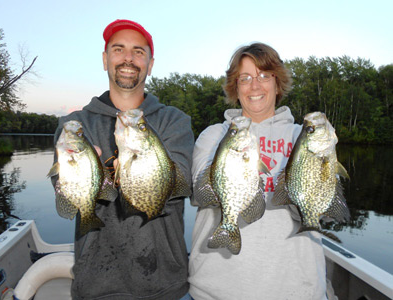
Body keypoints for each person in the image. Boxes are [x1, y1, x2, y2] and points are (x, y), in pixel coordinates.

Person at [52, 19, 194, 300]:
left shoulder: (174, 120)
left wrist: (142, 168)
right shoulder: (74, 126)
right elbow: (66, 196)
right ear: (105, 60)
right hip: (95, 285)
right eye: (119, 49)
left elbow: (180, 183)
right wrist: (89, 172)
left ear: (150, 64)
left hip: (165, 284)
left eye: (139, 51)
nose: (128, 58)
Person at [188, 43, 327, 299]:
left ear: (277, 83)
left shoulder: (303, 137)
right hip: (217, 290)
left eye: (264, 76)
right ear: (235, 87)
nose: (255, 86)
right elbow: (200, 195)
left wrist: (324, 151)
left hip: (296, 290)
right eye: (245, 78)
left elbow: (322, 211)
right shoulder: (214, 136)